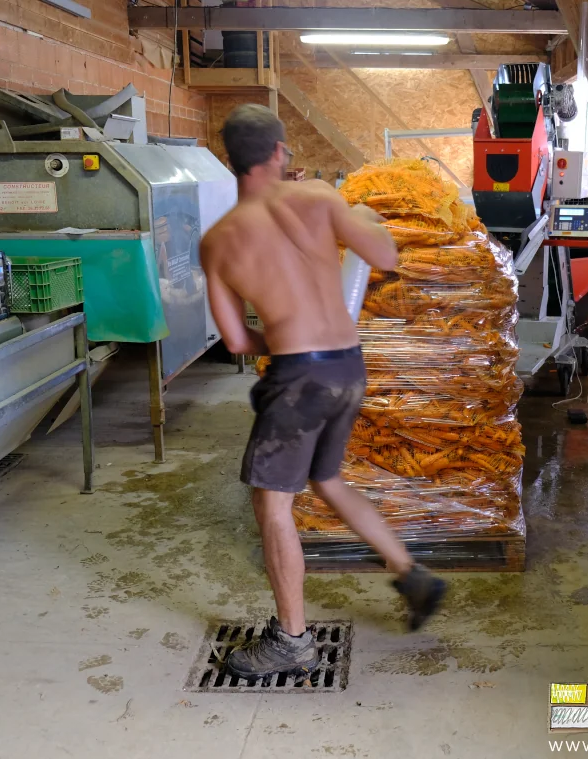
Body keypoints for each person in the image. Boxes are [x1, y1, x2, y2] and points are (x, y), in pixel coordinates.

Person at [201, 104, 446, 680]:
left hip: (299, 376)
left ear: (231, 162)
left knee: (271, 505)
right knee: (328, 479)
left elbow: (236, 339)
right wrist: (357, 213)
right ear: (280, 152)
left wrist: (282, 340)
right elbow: (385, 257)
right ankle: (410, 573)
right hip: (347, 366)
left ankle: (292, 641)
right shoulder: (317, 197)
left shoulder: (218, 241)